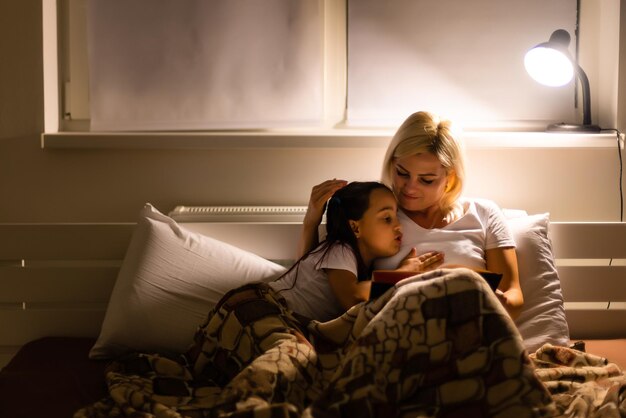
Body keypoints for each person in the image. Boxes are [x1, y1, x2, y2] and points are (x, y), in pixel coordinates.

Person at [299, 111, 524, 319]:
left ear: (450, 178)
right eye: (402, 173)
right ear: (392, 163)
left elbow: (513, 296)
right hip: (399, 332)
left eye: (426, 180)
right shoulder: (377, 215)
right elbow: (315, 281)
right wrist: (311, 223)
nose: (409, 188)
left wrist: (491, 298)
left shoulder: (484, 213)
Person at [269, 180, 402, 322]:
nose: (399, 226)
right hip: (268, 309)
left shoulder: (360, 267)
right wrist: (403, 272)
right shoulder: (340, 249)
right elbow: (353, 298)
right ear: (355, 228)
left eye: (397, 216)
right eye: (387, 218)